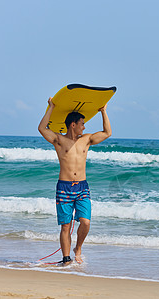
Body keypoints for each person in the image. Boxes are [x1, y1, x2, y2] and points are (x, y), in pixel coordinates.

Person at [38, 97, 111, 265]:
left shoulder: (86, 140)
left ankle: (78, 248)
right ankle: (66, 259)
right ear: (73, 124)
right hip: (64, 187)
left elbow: (107, 133)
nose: (84, 126)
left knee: (85, 222)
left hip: (82, 187)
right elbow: (42, 128)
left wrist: (103, 111)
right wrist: (51, 107)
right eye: (82, 123)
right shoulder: (59, 140)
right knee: (66, 226)